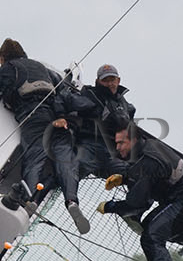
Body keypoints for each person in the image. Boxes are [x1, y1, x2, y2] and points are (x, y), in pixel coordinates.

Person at [98, 124, 183, 261]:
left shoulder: (147, 160)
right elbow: (150, 175)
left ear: (133, 140)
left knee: (151, 237)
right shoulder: (150, 146)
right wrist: (124, 178)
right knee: (149, 225)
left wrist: (110, 207)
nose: (117, 147)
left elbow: (137, 203)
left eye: (121, 143)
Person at [0, 38, 65, 212]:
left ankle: (28, 199)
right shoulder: (40, 67)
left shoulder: (9, 69)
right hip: (55, 116)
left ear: (3, 58)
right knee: (60, 163)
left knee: (34, 157)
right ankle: (42, 191)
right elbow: (60, 85)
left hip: (33, 115)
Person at [51, 64, 140, 230]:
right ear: (98, 81)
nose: (110, 83)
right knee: (70, 168)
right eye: (105, 80)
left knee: (136, 172)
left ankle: (133, 212)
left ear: (118, 80)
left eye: (112, 79)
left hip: (110, 155)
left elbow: (129, 128)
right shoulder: (90, 96)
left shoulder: (127, 106)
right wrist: (60, 117)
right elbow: (63, 97)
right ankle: (72, 202)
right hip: (89, 148)